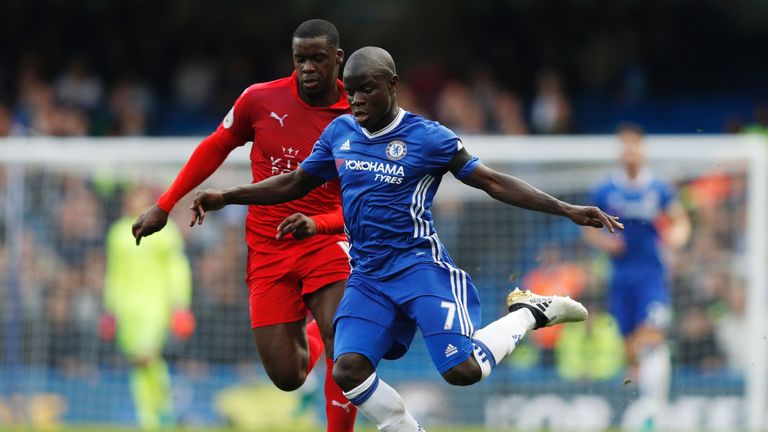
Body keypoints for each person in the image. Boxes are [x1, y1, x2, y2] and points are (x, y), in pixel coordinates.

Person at [188, 46, 624, 432]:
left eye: (366, 90)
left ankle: (530, 311)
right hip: (368, 276)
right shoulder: (340, 133)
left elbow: (492, 182)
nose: (355, 100)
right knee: (348, 369)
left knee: (463, 371)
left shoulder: (428, 138)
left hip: (420, 268)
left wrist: (566, 209)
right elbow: (295, 182)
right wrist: (228, 195)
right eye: (352, 91)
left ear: (392, 85)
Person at [130, 19, 357, 431]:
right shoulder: (260, 99)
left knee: (348, 349)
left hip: (326, 239)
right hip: (269, 247)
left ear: (337, 59)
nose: (307, 68)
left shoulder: (357, 117)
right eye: (300, 58)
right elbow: (215, 145)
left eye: (317, 59)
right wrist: (165, 204)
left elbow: (363, 202)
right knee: (288, 376)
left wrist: (321, 225)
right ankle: (320, 336)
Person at [582, 123, 691, 429]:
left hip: (651, 276)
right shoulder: (606, 190)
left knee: (651, 336)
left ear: (643, 150)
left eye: (634, 146)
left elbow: (681, 222)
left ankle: (655, 410)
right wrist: (604, 242)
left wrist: (677, 237)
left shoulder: (658, 188)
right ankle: (642, 409)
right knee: (630, 347)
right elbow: (586, 230)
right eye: (625, 146)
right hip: (620, 278)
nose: (629, 151)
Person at [101, 185, 194, 429]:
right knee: (141, 363)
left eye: (141, 196)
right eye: (133, 196)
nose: (136, 201)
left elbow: (177, 269)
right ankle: (157, 415)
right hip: (126, 309)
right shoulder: (118, 233)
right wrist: (110, 310)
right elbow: (114, 274)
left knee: (146, 356)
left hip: (155, 305)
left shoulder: (165, 231)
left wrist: (180, 305)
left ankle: (158, 414)